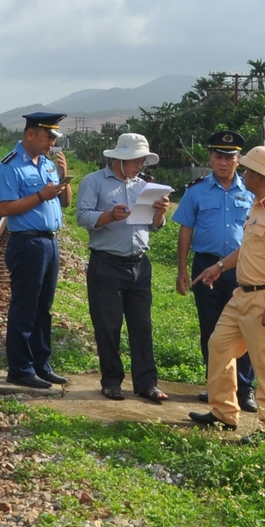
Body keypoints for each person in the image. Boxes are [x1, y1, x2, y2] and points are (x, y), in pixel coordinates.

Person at [188, 146, 265, 443]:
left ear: (261, 176)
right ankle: (224, 412)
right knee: (218, 345)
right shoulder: (258, 206)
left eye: (248, 170)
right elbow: (248, 248)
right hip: (242, 295)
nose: (244, 174)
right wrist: (220, 266)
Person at [76, 132, 172, 403]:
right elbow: (82, 216)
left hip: (139, 265)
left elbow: (152, 226)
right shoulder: (93, 182)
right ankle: (112, 381)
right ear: (118, 159)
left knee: (141, 325)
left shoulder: (144, 186)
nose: (139, 166)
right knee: (108, 325)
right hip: (107, 264)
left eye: (142, 161)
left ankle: (146, 383)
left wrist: (160, 213)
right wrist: (109, 216)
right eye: (134, 161)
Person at [172, 129, 258, 411]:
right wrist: (182, 269)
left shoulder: (252, 192)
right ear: (210, 158)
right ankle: (218, 389)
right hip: (205, 265)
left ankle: (245, 389)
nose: (223, 162)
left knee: (244, 330)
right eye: (218, 156)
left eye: (229, 157)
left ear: (238, 160)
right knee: (211, 330)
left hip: (240, 269)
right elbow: (186, 230)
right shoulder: (196, 191)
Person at [0, 113, 72, 390]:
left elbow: (65, 203)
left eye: (54, 137)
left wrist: (64, 179)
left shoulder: (48, 164)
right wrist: (40, 195)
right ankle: (20, 369)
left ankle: (41, 365)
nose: (52, 142)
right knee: (25, 308)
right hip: (26, 243)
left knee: (43, 309)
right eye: (48, 136)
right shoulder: (10, 166)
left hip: (49, 242)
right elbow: (4, 208)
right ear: (30, 135)